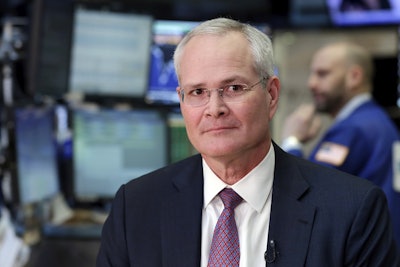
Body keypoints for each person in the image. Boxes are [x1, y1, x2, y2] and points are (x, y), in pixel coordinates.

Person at [96, 18, 399, 266]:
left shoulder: (352, 210)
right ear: (181, 101)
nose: (214, 108)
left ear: (271, 95)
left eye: (234, 87)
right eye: (198, 92)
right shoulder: (135, 208)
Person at [281, 41, 400, 248]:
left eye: (323, 74)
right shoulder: (378, 120)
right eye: (312, 74)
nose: (312, 83)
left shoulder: (354, 129)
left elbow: (308, 193)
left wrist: (292, 141)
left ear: (354, 77)